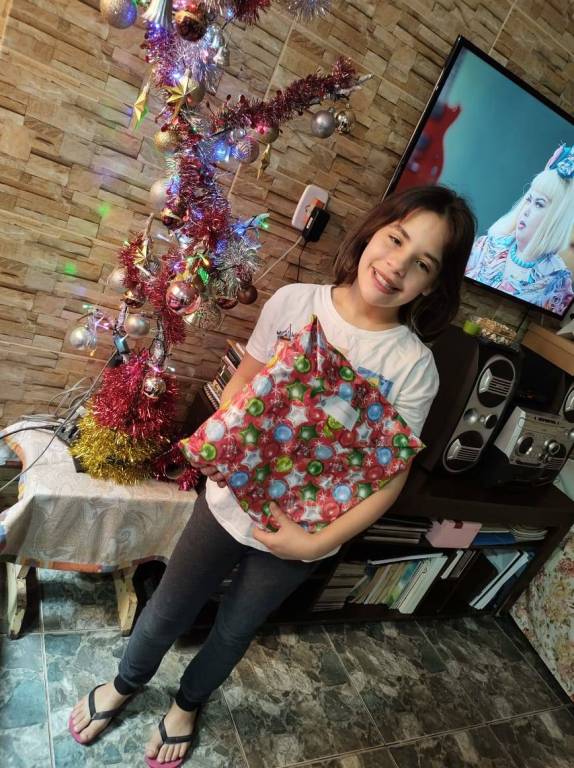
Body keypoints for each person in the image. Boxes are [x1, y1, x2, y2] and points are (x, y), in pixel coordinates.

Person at [69, 185, 476, 767]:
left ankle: (187, 704)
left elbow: (389, 477)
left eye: (423, 264)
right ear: (373, 232)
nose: (397, 265)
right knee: (169, 607)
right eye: (395, 240)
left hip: (304, 534)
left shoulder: (414, 368)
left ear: (433, 286)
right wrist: (224, 448)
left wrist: (314, 543)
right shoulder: (293, 302)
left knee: (236, 629)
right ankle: (125, 683)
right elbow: (243, 382)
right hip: (228, 502)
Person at [465, 143, 574, 315]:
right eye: (529, 200)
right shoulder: (486, 246)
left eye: (539, 204)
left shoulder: (558, 282)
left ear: (556, 220)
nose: (526, 210)